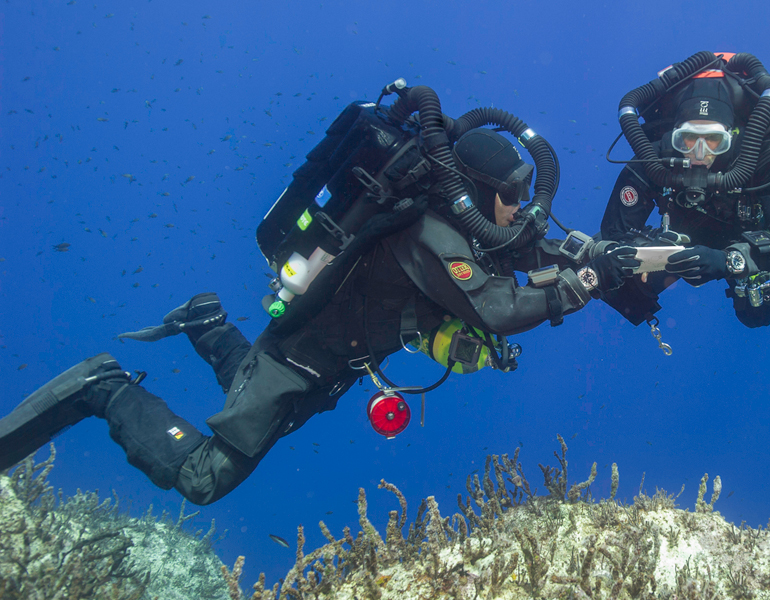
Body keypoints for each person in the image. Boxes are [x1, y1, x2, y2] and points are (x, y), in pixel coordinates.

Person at [0, 117, 638, 505]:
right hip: (297, 361)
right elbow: (497, 309)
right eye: (512, 191)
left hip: (321, 365)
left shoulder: (458, 226)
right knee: (204, 478)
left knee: (254, 396)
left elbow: (517, 248)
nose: (522, 203)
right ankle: (102, 387)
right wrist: (578, 287)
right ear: (473, 189)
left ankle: (205, 321)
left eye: (526, 188)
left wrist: (602, 255)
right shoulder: (433, 236)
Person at [601, 52, 770, 328]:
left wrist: (729, 261)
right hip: (681, 240)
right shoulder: (654, 158)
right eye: (688, 139)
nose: (699, 152)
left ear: (731, 136)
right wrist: (643, 252)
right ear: (673, 136)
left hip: (749, 237)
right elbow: (614, 231)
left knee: (756, 315)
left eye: (713, 140)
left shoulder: (764, 155)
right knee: (617, 286)